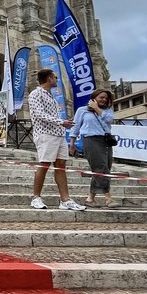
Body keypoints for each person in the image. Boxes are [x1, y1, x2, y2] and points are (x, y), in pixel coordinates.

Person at [28, 69, 85, 211]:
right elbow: (39, 114)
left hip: (58, 134)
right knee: (45, 164)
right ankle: (36, 198)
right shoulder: (35, 94)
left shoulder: (50, 96)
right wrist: (61, 122)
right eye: (55, 77)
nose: (56, 79)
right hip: (45, 134)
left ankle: (65, 200)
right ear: (49, 79)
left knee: (61, 165)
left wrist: (62, 123)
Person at [69, 88, 117, 207]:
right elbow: (75, 127)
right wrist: (72, 144)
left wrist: (97, 109)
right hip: (91, 140)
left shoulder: (107, 111)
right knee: (101, 168)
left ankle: (90, 198)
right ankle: (108, 197)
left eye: (106, 98)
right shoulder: (82, 110)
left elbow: (109, 120)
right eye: (101, 97)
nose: (104, 100)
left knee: (105, 168)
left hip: (105, 141)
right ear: (94, 98)